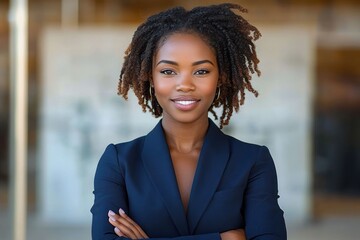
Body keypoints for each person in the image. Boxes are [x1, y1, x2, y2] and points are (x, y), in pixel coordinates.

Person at [91, 3, 287, 240]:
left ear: (221, 77)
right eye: (168, 71)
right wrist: (226, 238)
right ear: (150, 78)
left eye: (201, 71)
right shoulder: (119, 163)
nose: (185, 84)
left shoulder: (253, 162)